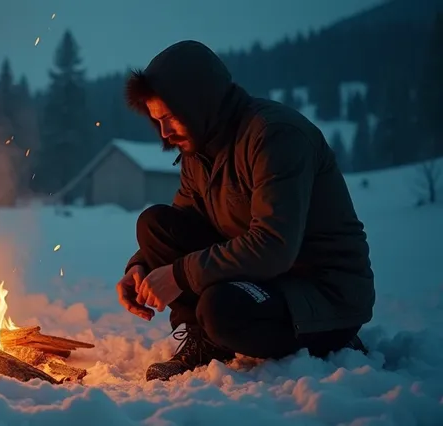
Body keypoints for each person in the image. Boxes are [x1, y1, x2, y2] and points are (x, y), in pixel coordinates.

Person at [115, 40, 375, 382]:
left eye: (171, 117)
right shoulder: (201, 148)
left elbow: (273, 245)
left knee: (220, 310)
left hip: (320, 292)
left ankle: (334, 340)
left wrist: (178, 275)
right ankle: (205, 340)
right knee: (156, 225)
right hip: (266, 277)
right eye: (156, 121)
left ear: (199, 103)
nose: (164, 132)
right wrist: (141, 267)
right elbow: (181, 223)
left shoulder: (274, 137)